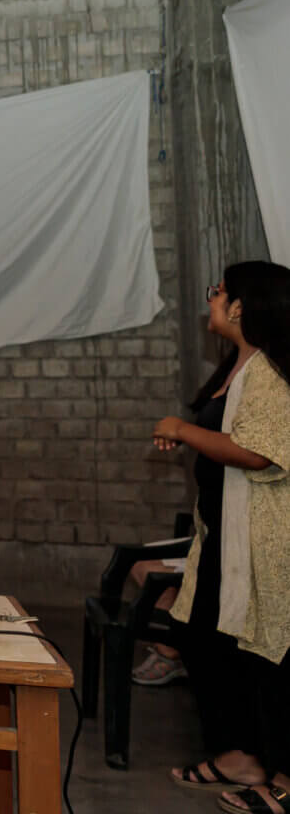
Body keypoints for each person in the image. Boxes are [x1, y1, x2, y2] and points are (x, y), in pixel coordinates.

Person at [153, 262, 290, 814]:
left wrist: (184, 430)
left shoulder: (272, 372)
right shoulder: (236, 366)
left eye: (219, 292)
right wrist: (194, 436)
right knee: (205, 640)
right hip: (224, 538)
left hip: (267, 545)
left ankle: (285, 780)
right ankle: (241, 756)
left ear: (242, 307)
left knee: (272, 659)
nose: (211, 299)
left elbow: (258, 453)